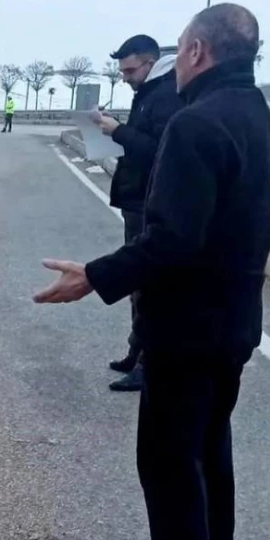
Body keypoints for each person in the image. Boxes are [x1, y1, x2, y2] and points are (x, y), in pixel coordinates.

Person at [34, 4, 270, 540]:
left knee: (170, 466)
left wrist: (94, 276)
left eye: (179, 49)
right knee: (209, 452)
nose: (174, 62)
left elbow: (172, 239)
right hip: (234, 329)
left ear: (198, 53)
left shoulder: (196, 125)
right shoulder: (260, 121)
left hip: (185, 331)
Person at [94, 35, 185, 393]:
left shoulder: (165, 96)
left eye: (130, 70)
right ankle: (136, 352)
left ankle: (148, 366)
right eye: (122, 71)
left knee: (148, 287)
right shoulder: (149, 93)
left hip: (150, 202)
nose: (125, 77)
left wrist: (118, 131)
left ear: (149, 63)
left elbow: (161, 150)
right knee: (137, 286)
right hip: (137, 201)